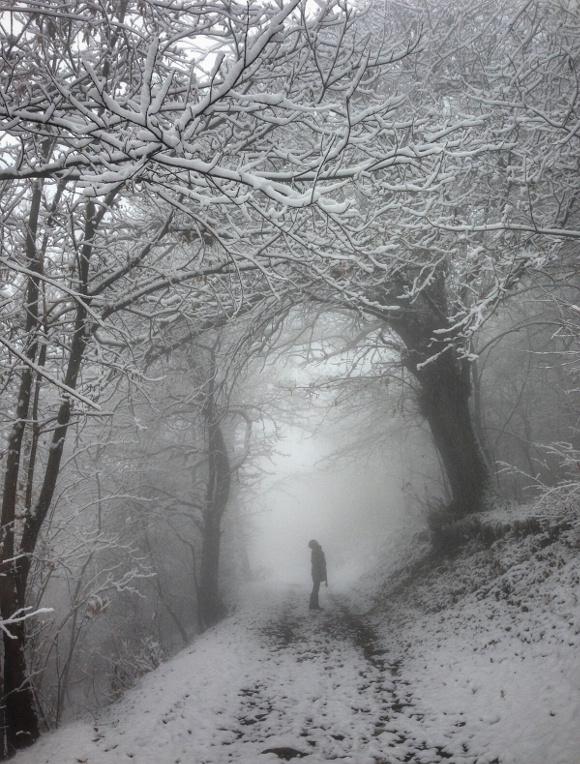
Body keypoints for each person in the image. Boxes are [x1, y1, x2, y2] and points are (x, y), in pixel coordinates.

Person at [308, 539, 327, 610]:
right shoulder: (316, 551)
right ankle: (314, 605)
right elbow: (316, 562)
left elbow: (316, 562)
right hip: (317, 572)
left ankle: (313, 605)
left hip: (316, 572)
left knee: (316, 588)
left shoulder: (316, 551)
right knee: (316, 589)